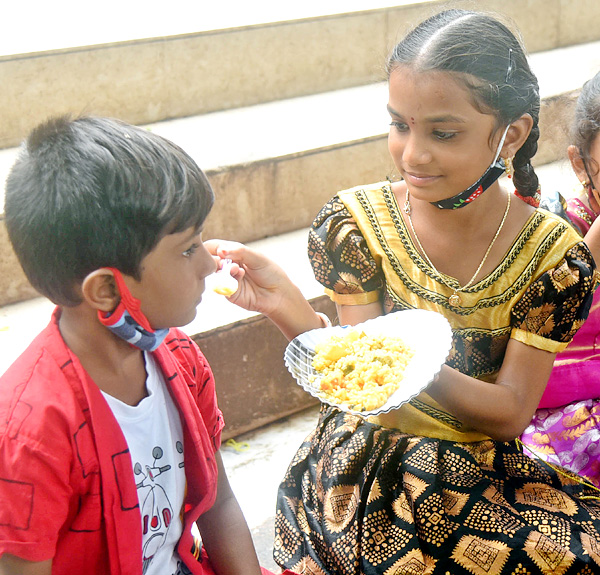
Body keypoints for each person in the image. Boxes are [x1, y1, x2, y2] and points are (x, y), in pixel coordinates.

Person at [211, 9, 600, 574]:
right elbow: (356, 382)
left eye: (443, 132)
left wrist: (412, 365)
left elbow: (512, 413)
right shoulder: (357, 226)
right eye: (400, 125)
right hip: (363, 468)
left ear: (511, 134)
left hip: (479, 466)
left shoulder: (552, 256)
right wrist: (289, 312)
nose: (413, 153)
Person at [0, 116, 304, 575]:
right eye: (187, 249)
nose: (207, 264)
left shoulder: (180, 361)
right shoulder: (32, 433)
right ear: (105, 290)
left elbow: (218, 504)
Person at [521, 70, 600, 486]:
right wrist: (590, 254)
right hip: (564, 416)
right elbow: (528, 371)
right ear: (581, 165)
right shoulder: (556, 233)